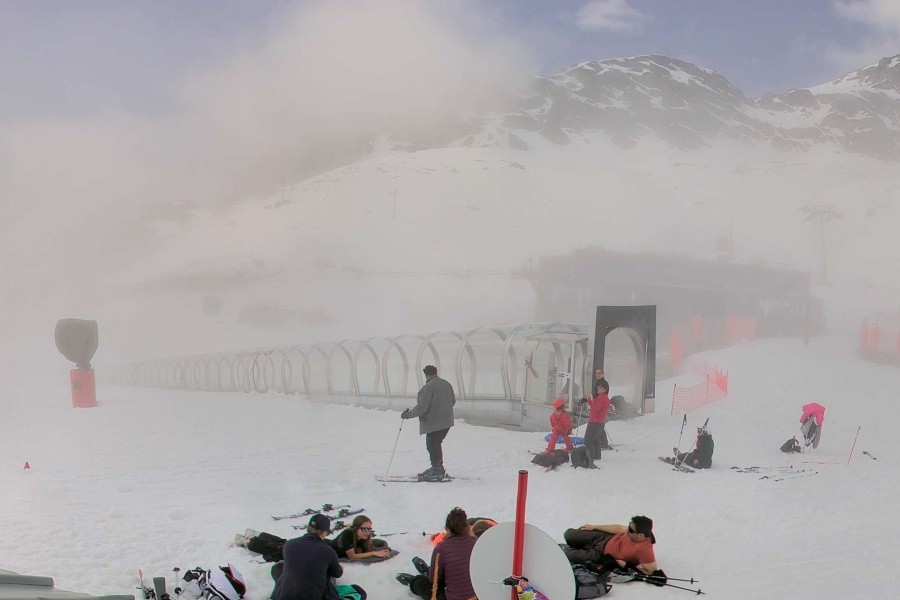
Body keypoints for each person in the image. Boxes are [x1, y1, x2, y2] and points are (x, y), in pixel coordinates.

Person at [396, 507, 480, 600]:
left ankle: (414, 581)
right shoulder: (477, 542)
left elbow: (434, 580)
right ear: (467, 527)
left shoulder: (442, 547)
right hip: (479, 596)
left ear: (446, 528)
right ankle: (427, 571)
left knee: (423, 584)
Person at [402, 365, 456, 481]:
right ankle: (437, 467)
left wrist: (409, 415)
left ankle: (437, 469)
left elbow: (422, 406)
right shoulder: (446, 384)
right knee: (435, 443)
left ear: (426, 374)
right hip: (446, 421)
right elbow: (452, 400)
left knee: (432, 444)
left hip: (435, 422)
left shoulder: (429, 386)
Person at [271, 514, 343, 600]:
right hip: (312, 596)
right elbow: (337, 573)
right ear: (324, 533)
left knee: (280, 567)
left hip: (283, 595)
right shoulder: (328, 550)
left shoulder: (289, 544)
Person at [562, 516, 660, 577]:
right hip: (603, 538)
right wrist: (594, 527)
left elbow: (651, 571)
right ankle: (579, 546)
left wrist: (626, 565)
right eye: (629, 526)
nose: (628, 530)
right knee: (568, 534)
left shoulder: (644, 549)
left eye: (631, 530)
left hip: (600, 554)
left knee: (567, 554)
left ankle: (575, 550)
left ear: (641, 535)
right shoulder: (634, 531)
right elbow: (619, 528)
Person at [581, 379, 611, 461]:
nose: (597, 388)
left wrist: (590, 401)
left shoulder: (601, 398)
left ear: (604, 389)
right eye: (598, 387)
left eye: (600, 387)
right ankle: (597, 455)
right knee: (596, 439)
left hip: (595, 421)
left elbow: (595, 408)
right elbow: (597, 407)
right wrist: (590, 401)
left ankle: (590, 456)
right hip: (600, 421)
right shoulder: (605, 398)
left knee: (588, 440)